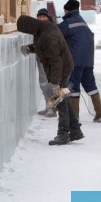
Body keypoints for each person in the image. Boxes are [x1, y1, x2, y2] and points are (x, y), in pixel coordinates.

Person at [17, 14, 76, 145]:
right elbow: (41, 46)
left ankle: (63, 133)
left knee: (59, 101)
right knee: (63, 99)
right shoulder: (42, 29)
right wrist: (30, 48)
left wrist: (55, 83)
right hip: (61, 68)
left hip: (62, 70)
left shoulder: (48, 35)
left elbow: (56, 62)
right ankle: (75, 129)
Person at [58, 0, 101, 126]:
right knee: (91, 86)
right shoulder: (82, 22)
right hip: (88, 61)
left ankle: (74, 118)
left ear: (67, 10)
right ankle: (99, 112)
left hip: (74, 61)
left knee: (73, 88)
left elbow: (55, 34)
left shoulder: (67, 23)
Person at [30, 8, 58, 117]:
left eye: (43, 17)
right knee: (43, 85)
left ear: (48, 18)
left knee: (50, 85)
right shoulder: (37, 30)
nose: (41, 19)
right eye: (39, 17)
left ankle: (53, 109)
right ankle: (49, 107)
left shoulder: (51, 29)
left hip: (49, 61)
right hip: (41, 60)